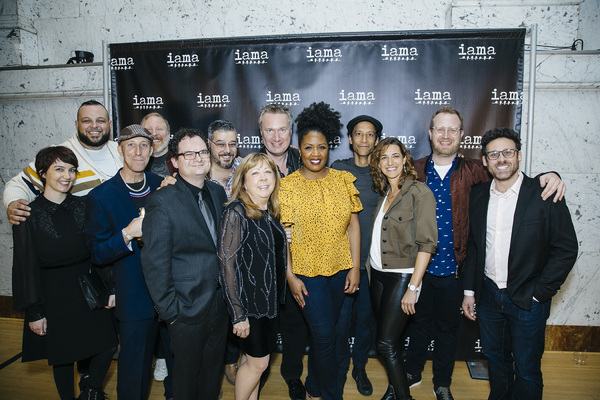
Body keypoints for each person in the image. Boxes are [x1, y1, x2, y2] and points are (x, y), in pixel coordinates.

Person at [405, 107, 566, 400]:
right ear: (430, 134)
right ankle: (409, 375)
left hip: (458, 270)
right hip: (423, 270)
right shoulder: (413, 170)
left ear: (462, 136)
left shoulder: (477, 173)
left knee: (453, 334)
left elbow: (514, 178)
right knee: (422, 328)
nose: (445, 135)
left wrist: (550, 175)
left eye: (452, 129)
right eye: (440, 129)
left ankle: (442, 383)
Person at [461, 128, 577, 400]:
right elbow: (475, 247)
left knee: (526, 370)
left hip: (528, 300)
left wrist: (540, 292)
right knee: (497, 363)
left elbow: (566, 248)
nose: (501, 159)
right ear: (485, 161)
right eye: (494, 154)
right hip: (488, 298)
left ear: (519, 156)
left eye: (508, 152)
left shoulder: (544, 193)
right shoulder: (477, 195)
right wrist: (469, 292)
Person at [12, 146, 117, 400]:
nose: (67, 175)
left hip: (88, 285)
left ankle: (90, 385)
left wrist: (111, 288)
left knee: (108, 343)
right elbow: (25, 265)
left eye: (71, 170)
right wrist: (35, 312)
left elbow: (98, 250)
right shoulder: (28, 214)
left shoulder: (84, 205)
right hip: (52, 292)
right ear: (42, 174)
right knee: (62, 356)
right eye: (59, 169)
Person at [280, 101, 362, 400]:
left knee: (329, 337)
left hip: (340, 270)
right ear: (298, 149)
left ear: (330, 147)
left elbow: (353, 226)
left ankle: (314, 387)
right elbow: (283, 238)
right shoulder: (287, 187)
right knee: (325, 336)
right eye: (308, 147)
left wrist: (353, 267)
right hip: (306, 273)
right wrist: (289, 275)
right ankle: (330, 395)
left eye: (322, 147)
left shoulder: (343, 180)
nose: (316, 154)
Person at [141, 128, 229, 400]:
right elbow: (155, 262)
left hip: (219, 305)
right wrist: (171, 313)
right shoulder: (162, 201)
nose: (198, 158)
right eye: (189, 153)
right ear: (175, 162)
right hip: (185, 310)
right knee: (185, 380)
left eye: (202, 152)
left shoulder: (216, 192)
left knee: (212, 376)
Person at [85, 124, 163, 400]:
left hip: (169, 294)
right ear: (120, 150)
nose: (138, 151)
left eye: (144, 145)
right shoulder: (101, 196)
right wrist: (127, 234)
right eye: (131, 145)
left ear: (152, 150)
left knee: (175, 364)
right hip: (134, 299)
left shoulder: (161, 186)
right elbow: (97, 253)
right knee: (134, 370)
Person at [367, 137, 437, 400]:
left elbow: (427, 244)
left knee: (384, 343)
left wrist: (413, 287)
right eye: (384, 157)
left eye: (395, 156)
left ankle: (403, 396)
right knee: (391, 341)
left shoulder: (420, 192)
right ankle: (394, 390)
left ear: (405, 159)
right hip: (378, 275)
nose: (390, 162)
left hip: (402, 277)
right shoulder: (385, 193)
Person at [218, 153, 287, 400]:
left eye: (268, 172)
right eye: (255, 173)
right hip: (248, 306)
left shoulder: (270, 211)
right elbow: (227, 265)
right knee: (258, 365)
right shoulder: (236, 211)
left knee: (252, 362)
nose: (263, 178)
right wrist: (238, 315)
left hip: (269, 305)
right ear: (244, 181)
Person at [3, 100, 122, 225]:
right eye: (86, 121)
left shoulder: (124, 152)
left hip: (122, 238)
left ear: (109, 124)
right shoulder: (58, 156)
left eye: (100, 121)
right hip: (79, 240)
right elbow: (19, 185)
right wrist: (13, 202)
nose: (94, 125)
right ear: (77, 125)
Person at [258, 103, 308, 400]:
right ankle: (257, 375)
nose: (276, 136)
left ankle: (291, 376)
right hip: (261, 263)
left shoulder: (306, 159)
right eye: (269, 130)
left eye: (282, 129)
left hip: (299, 261)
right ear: (260, 132)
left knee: (294, 326)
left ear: (291, 131)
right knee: (260, 326)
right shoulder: (249, 165)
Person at [331, 115, 382, 396]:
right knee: (340, 322)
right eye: (358, 134)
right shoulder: (338, 170)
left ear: (376, 139)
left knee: (365, 321)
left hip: (372, 265)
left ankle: (359, 367)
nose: (364, 139)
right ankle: (339, 370)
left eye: (370, 134)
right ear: (350, 139)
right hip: (342, 263)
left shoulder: (383, 172)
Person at [208, 119, 244, 199]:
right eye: (221, 144)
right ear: (209, 143)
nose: (227, 150)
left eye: (232, 144)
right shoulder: (199, 173)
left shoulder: (247, 168)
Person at [142, 112, 174, 177]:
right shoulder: (134, 162)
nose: (154, 133)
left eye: (159, 129)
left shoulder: (181, 161)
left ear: (168, 135)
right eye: (148, 129)